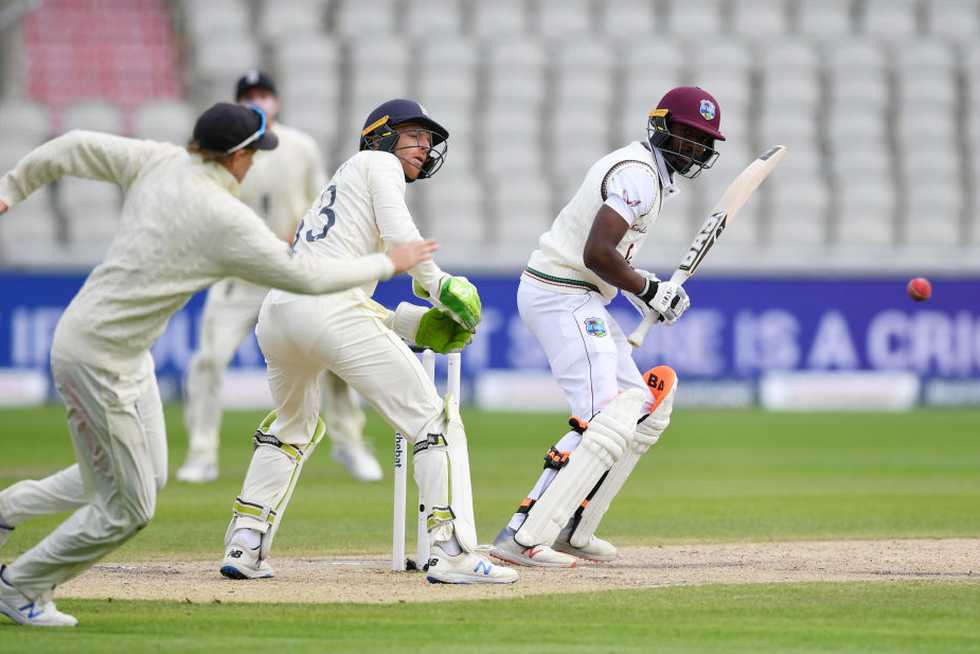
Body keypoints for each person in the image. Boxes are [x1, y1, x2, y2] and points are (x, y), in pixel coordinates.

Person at [0, 102, 434, 627]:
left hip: (119, 351)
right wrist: (390, 262)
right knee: (130, 507)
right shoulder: (224, 218)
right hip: (99, 360)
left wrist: (11, 188)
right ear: (235, 158)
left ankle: (6, 511)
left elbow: (70, 146)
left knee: (143, 474)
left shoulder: (156, 158)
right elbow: (308, 281)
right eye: (253, 154)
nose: (255, 165)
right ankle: (22, 585)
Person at [219, 99, 517, 585]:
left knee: (293, 425)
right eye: (414, 135)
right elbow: (399, 238)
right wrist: (440, 284)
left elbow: (340, 291)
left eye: (429, 139)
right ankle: (449, 553)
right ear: (381, 135)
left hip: (279, 312)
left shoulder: (344, 183)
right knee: (429, 419)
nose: (424, 147)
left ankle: (245, 541)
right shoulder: (378, 163)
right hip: (326, 310)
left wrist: (411, 326)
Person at [490, 87, 724, 568]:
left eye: (703, 141)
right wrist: (648, 291)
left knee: (644, 409)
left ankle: (575, 527)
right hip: (561, 293)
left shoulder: (648, 174)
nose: (694, 148)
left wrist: (648, 291)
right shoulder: (638, 174)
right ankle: (522, 535)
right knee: (607, 415)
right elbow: (595, 253)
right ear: (662, 127)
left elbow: (608, 261)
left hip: (578, 295)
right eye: (687, 134)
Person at [179, 71, 383, 484]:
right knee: (208, 360)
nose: (259, 101)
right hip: (241, 274)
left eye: (264, 94)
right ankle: (202, 453)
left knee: (336, 356)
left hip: (293, 271)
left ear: (277, 100)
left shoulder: (300, 147)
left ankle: (350, 444)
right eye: (249, 96)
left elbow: (324, 202)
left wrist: (302, 234)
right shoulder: (224, 151)